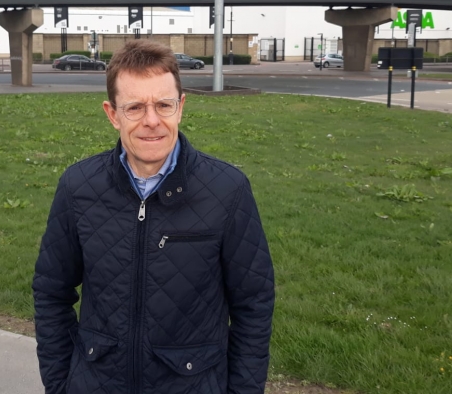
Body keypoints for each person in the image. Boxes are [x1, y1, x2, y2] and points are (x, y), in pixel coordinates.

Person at [32, 39, 275, 394]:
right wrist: (60, 385)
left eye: (163, 105)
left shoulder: (228, 190)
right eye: (134, 107)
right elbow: (51, 292)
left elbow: (254, 303)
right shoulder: (77, 186)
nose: (151, 121)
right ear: (112, 114)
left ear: (181, 107)